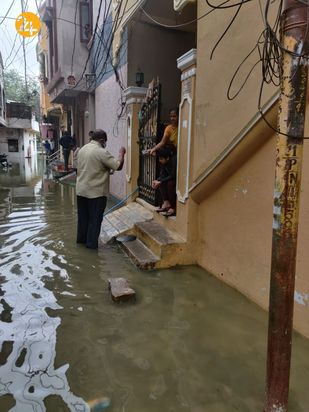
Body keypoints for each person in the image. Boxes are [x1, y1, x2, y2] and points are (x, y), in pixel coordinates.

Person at [76, 129, 126, 249]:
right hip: (96, 194)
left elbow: (90, 167)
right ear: (102, 140)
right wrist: (121, 153)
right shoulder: (101, 151)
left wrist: (105, 171)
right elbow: (117, 166)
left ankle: (81, 244)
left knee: (83, 220)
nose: (105, 144)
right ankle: (91, 249)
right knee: (95, 222)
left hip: (81, 192)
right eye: (105, 142)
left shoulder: (82, 150)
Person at [152, 147, 177, 217]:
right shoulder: (163, 163)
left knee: (169, 184)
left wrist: (161, 181)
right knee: (161, 182)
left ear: (167, 158)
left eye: (161, 159)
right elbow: (162, 174)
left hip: (176, 180)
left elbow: (173, 175)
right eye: (159, 159)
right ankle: (166, 203)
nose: (160, 161)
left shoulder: (174, 161)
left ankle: (173, 207)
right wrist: (157, 181)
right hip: (170, 179)